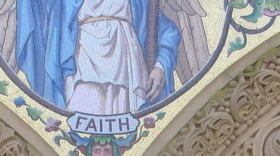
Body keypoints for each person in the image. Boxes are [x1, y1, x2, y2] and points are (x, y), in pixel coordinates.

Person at [14, 0, 181, 115]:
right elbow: (38, 9)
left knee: (124, 114)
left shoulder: (140, 2)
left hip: (127, 65)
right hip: (82, 62)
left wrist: (160, 66)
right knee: (82, 110)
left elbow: (165, 31)